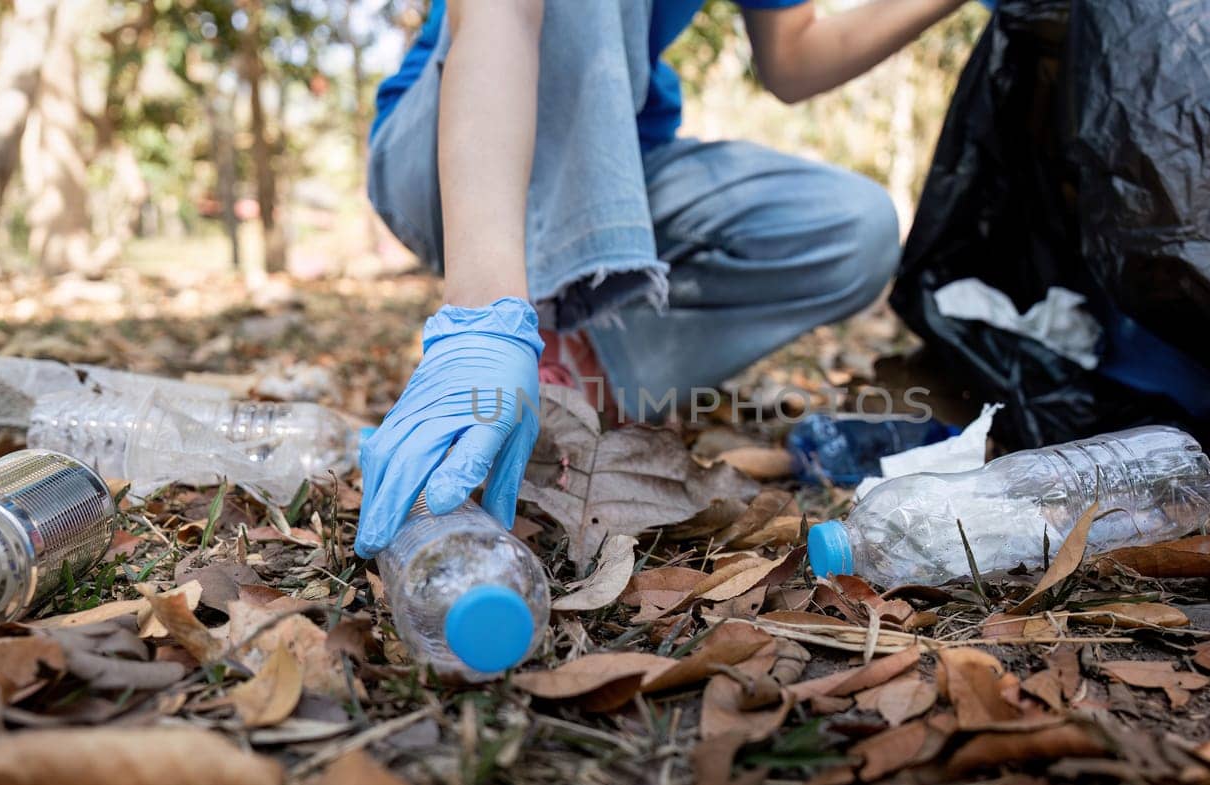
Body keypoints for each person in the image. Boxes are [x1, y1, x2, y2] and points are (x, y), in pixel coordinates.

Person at [356, 0, 976, 559]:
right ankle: (516, 321)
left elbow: (792, 56)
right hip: (450, 141)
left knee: (855, 230)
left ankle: (581, 366)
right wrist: (482, 319)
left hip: (627, 163)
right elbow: (502, 15)